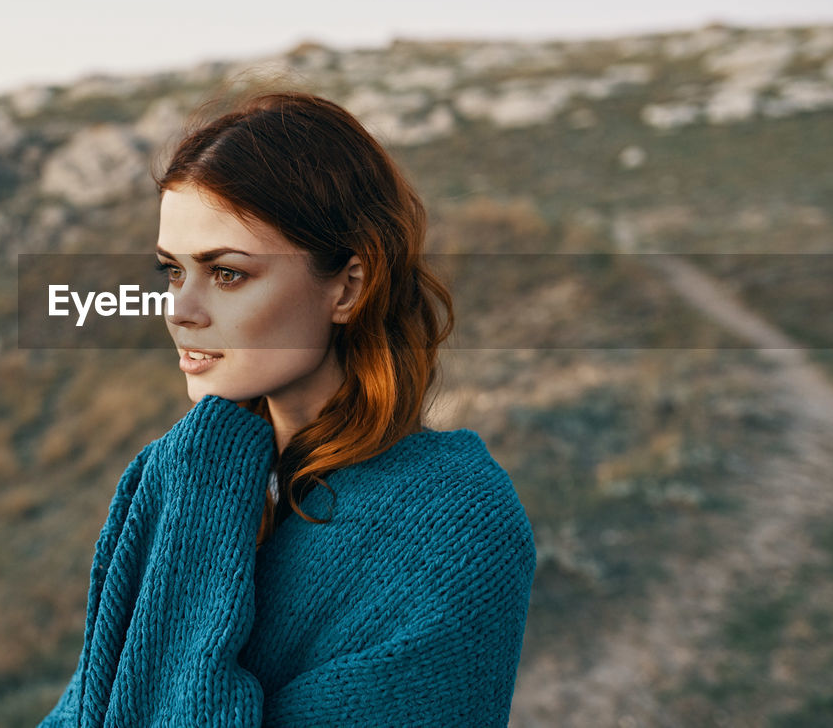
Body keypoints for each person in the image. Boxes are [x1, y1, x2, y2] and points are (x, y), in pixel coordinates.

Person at [38, 90, 537, 727]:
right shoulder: (171, 476)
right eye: (171, 271)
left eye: (227, 274)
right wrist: (204, 472)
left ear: (348, 286)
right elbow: (89, 703)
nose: (180, 310)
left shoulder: (455, 526)